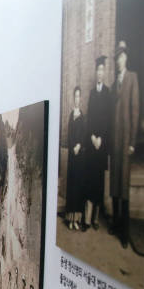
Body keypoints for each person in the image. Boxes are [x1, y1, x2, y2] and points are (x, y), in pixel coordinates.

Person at [109, 40, 139, 249]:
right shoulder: (114, 83)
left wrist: (132, 142)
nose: (119, 60)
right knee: (115, 186)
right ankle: (116, 224)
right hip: (114, 143)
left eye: (122, 56)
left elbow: (135, 111)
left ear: (126, 58)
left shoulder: (132, 79)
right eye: (117, 57)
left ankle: (124, 233)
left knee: (124, 186)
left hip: (126, 142)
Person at [83, 56, 112, 232]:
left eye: (102, 70)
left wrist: (101, 138)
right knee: (91, 181)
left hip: (102, 145)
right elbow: (91, 118)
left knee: (99, 183)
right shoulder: (93, 93)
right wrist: (93, 136)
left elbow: (107, 119)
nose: (100, 73)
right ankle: (87, 219)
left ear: (104, 72)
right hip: (92, 143)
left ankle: (95, 219)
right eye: (98, 70)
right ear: (95, 73)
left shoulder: (107, 92)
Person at [65, 86, 86, 230]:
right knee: (71, 186)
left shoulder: (83, 117)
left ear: (81, 98)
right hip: (72, 156)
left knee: (78, 186)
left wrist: (79, 145)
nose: (77, 99)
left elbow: (84, 135)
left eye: (79, 96)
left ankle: (77, 220)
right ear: (73, 98)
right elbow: (69, 135)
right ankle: (70, 219)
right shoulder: (71, 115)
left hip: (80, 157)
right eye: (75, 96)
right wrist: (73, 146)